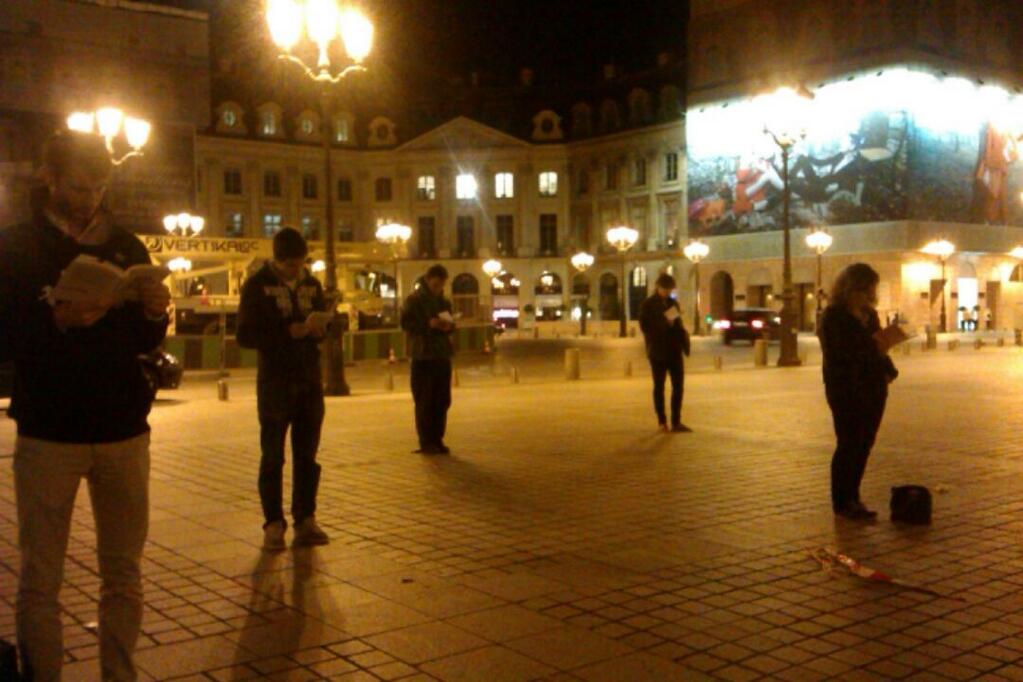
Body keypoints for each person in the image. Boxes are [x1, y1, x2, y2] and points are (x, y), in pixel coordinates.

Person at [0, 130, 171, 681]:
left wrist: (154, 311)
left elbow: (144, 343)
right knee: (41, 577)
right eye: (78, 186)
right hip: (49, 432)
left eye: (99, 187)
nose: (90, 198)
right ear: (49, 179)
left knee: (123, 572)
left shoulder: (125, 246)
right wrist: (55, 321)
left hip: (123, 428)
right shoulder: (16, 246)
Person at [237, 228, 330, 551]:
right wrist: (285, 332)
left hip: (309, 378)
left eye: (301, 264)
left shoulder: (311, 284)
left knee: (307, 455)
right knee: (273, 455)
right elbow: (245, 336)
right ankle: (273, 524)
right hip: (275, 381)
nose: (297, 271)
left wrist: (318, 329)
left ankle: (306, 518)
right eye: (291, 265)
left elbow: (325, 324)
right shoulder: (256, 286)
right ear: (276, 261)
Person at [818, 263, 899, 520]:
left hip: (873, 385)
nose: (867, 295)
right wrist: (872, 348)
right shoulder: (833, 316)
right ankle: (842, 501)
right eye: (863, 290)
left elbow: (879, 346)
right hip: (846, 387)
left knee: (865, 442)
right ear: (849, 288)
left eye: (870, 290)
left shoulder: (869, 315)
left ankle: (854, 497)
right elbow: (839, 354)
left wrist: (888, 368)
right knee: (849, 443)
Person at [401, 265, 455, 454]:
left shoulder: (443, 301)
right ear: (427, 279)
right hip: (422, 355)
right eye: (435, 284)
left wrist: (449, 326)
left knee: (442, 400)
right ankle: (426, 441)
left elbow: (452, 324)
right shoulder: (414, 300)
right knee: (425, 400)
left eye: (441, 285)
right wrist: (428, 324)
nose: (438, 288)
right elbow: (406, 323)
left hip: (442, 354)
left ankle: (438, 439)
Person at [638, 273, 691, 433]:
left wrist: (684, 341)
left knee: (678, 386)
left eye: (670, 289)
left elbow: (677, 325)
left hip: (674, 350)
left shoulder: (672, 303)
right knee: (659, 386)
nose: (667, 292)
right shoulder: (648, 304)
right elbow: (645, 327)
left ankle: (676, 421)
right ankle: (662, 420)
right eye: (665, 289)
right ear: (658, 287)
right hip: (658, 351)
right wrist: (664, 323)